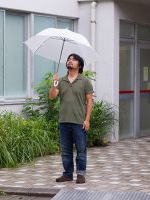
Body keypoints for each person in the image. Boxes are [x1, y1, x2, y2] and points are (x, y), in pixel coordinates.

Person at [49, 53, 93, 184]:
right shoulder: (61, 80)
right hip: (64, 121)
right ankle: (67, 174)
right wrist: (54, 82)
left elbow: (90, 101)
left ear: (79, 65)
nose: (70, 61)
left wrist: (87, 120)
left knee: (81, 150)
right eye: (69, 59)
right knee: (66, 151)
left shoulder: (84, 81)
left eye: (73, 60)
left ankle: (80, 174)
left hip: (79, 121)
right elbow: (52, 97)